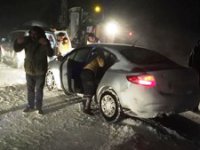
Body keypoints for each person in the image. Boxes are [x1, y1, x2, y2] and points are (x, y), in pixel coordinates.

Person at [14, 26, 54, 114]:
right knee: (30, 89)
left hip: (40, 71)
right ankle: (30, 105)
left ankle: (39, 107)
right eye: (31, 33)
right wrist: (17, 42)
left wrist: (46, 44)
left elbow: (50, 53)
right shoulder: (27, 40)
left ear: (40, 34)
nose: (33, 35)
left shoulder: (44, 41)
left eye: (35, 33)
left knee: (39, 90)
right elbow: (17, 49)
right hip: (29, 70)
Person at [80, 48, 105, 115]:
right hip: (89, 73)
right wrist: (102, 57)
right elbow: (102, 64)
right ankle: (86, 109)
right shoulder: (98, 56)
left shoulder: (90, 55)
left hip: (83, 72)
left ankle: (85, 106)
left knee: (86, 91)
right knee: (89, 92)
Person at [188, 40, 200, 112]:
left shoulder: (195, 49)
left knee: (195, 89)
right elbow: (190, 59)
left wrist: (190, 68)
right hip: (196, 71)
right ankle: (193, 106)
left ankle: (193, 106)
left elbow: (190, 59)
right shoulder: (195, 49)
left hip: (195, 70)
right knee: (195, 89)